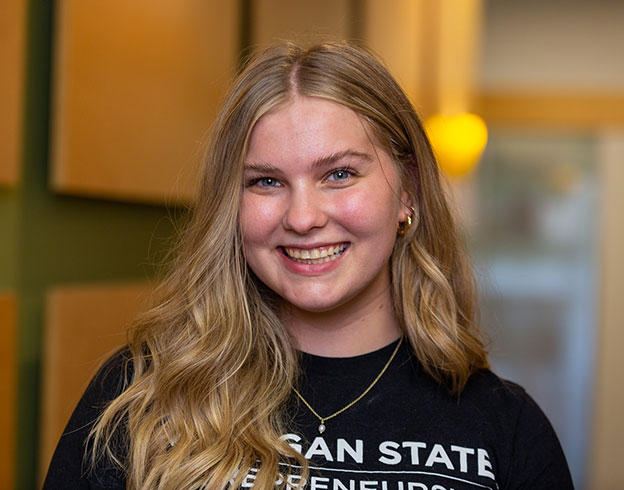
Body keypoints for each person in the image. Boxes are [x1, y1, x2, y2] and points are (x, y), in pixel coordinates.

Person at [43, 41, 573, 490]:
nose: (302, 218)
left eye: (339, 174)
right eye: (266, 181)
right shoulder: (139, 395)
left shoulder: (507, 428)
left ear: (407, 190)